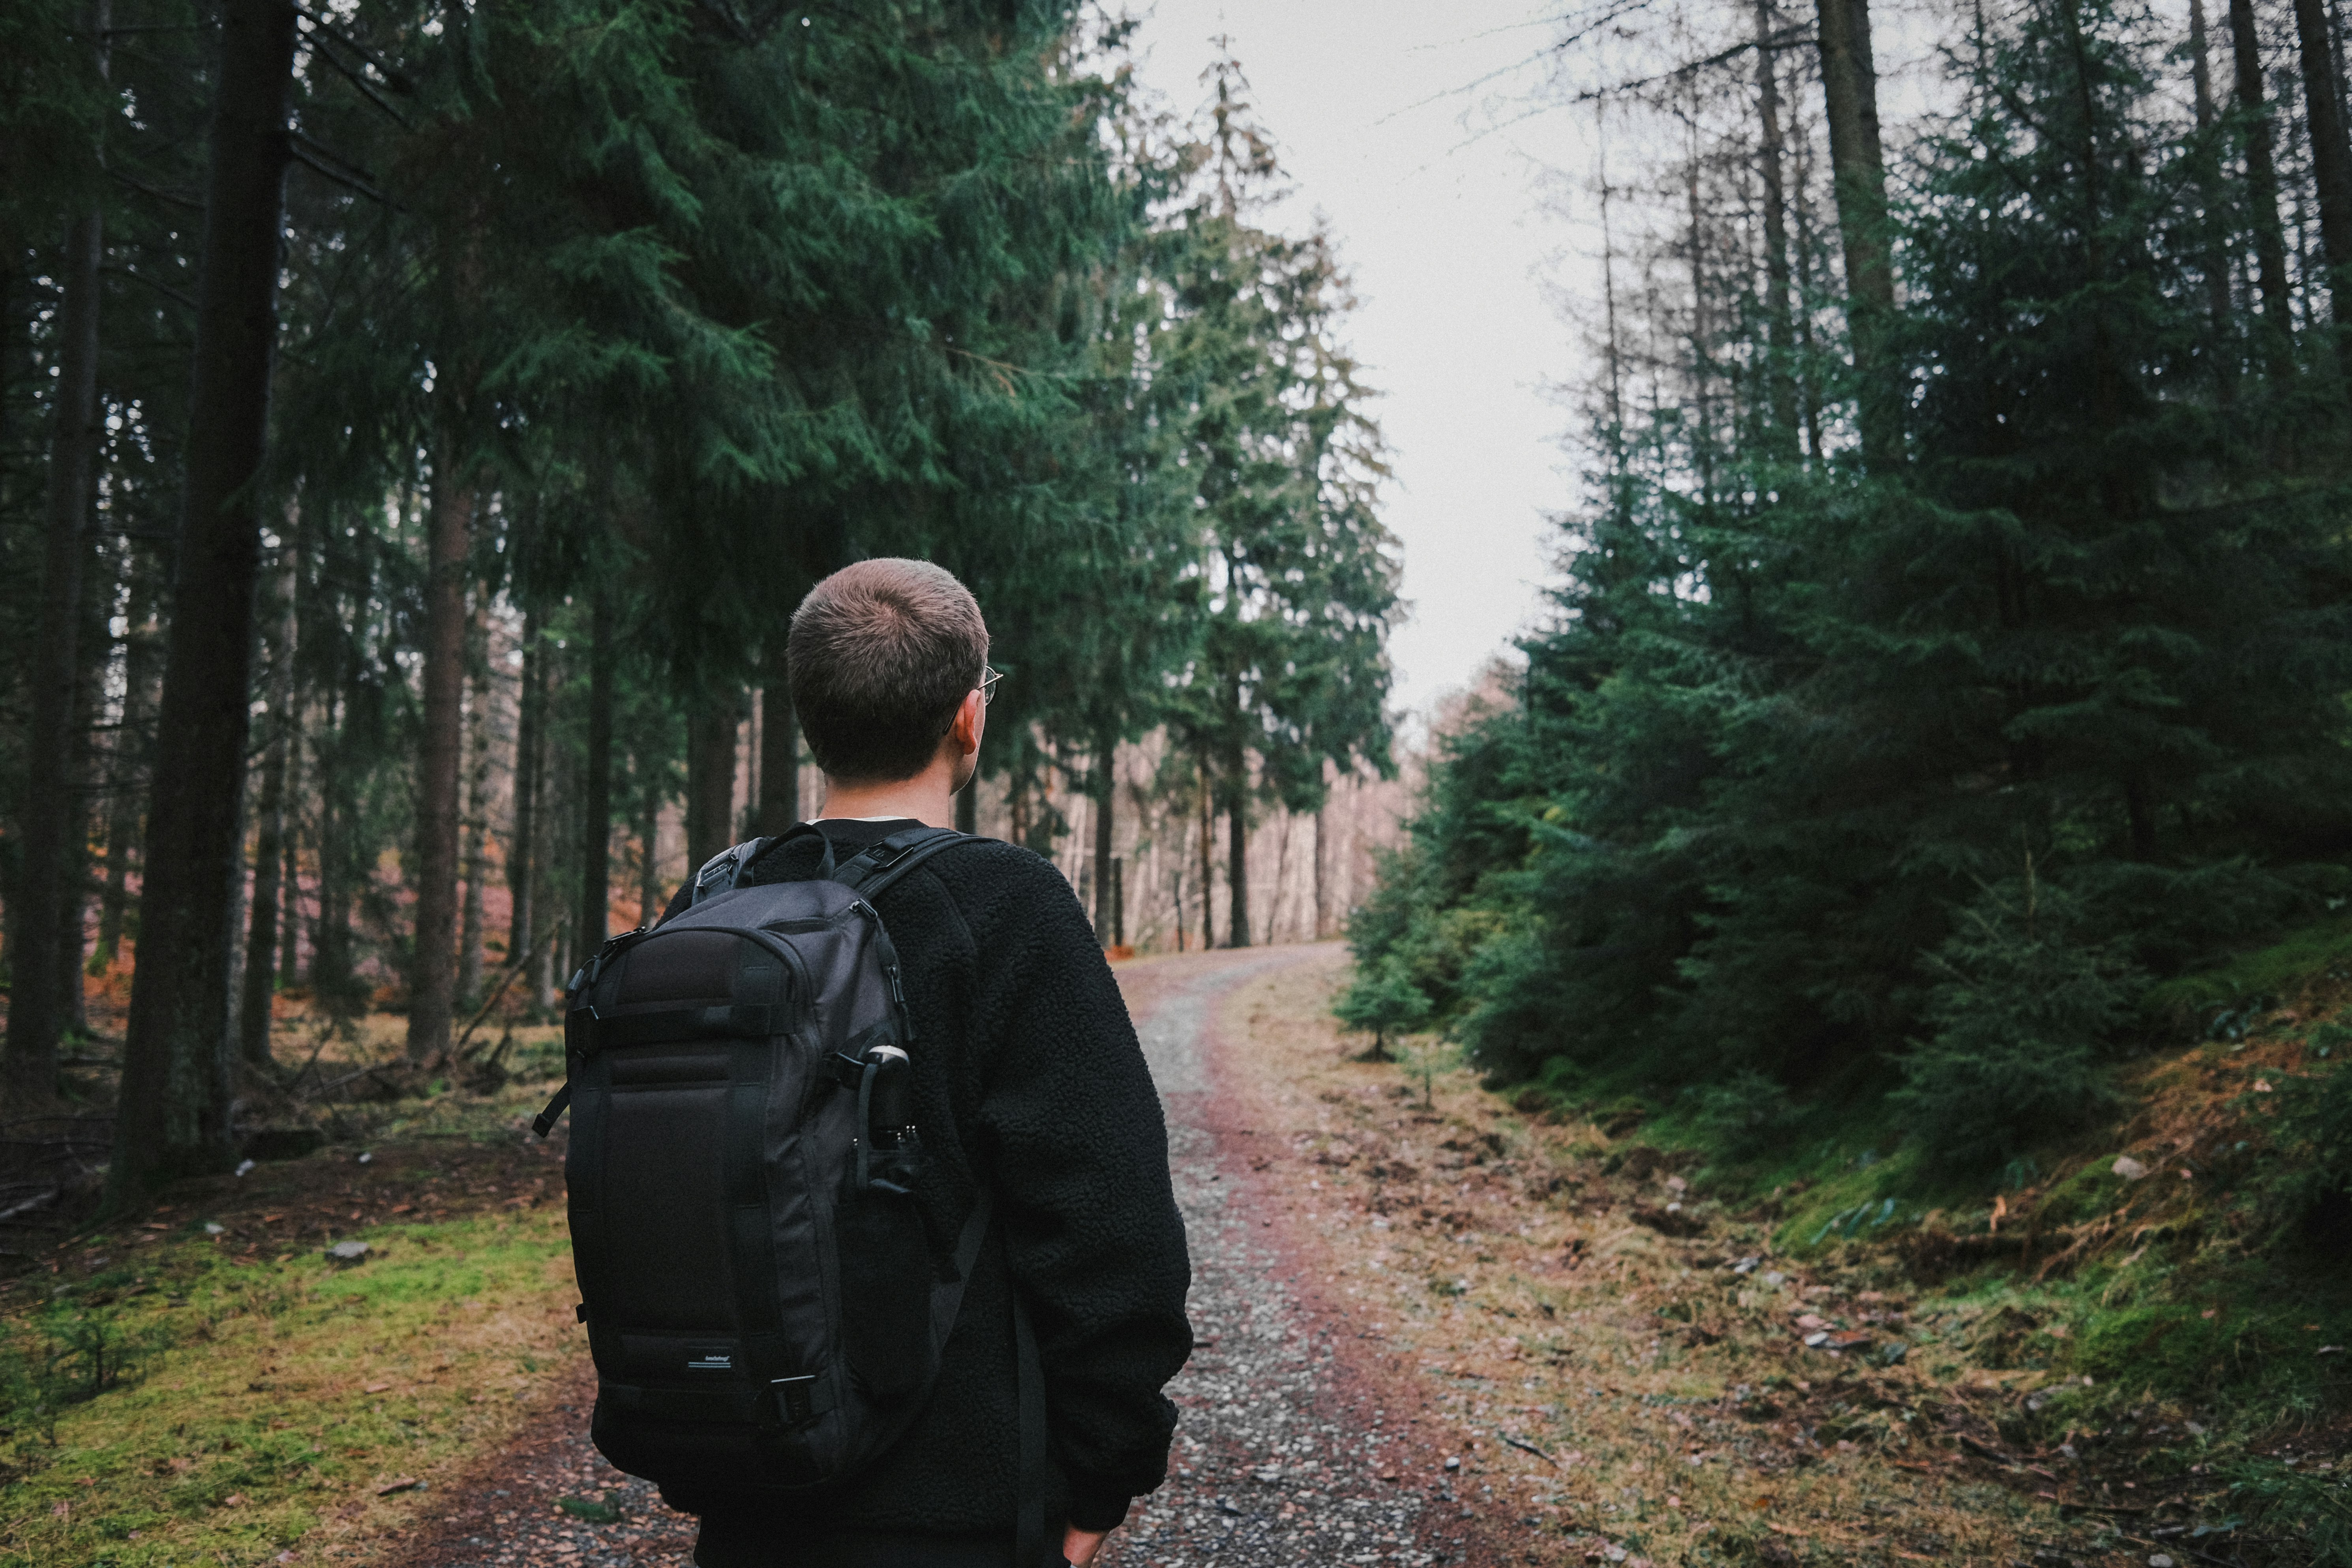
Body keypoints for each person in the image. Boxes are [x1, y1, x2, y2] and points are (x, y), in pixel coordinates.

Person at [653, 558, 1192, 1568]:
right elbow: (1112, 1225)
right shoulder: (1008, 906)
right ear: (967, 719)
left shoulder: (716, 902)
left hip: (750, 1492)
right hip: (963, 1507)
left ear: (811, 716)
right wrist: (1103, 1475)